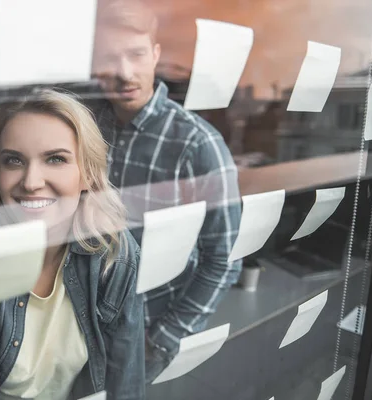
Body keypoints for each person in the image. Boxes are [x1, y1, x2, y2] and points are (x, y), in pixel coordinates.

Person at [0, 90, 145, 399]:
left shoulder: (113, 254)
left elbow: (126, 385)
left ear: (88, 176)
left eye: (56, 159)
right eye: (14, 160)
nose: (30, 182)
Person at [91, 0, 242, 382]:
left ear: (155, 55)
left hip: (146, 334)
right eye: (110, 58)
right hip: (84, 329)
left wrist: (160, 342)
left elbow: (223, 259)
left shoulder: (197, 144)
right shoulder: (86, 131)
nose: (125, 73)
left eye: (137, 54)